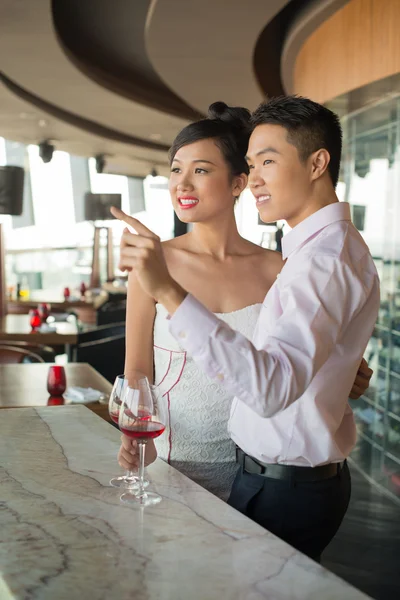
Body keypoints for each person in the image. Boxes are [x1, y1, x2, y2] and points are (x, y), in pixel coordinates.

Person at [112, 96, 379, 562]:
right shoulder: (157, 262)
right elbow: (137, 371)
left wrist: (342, 372)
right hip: (175, 458)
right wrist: (131, 432)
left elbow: (288, 366)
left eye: (200, 169)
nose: (182, 183)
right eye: (176, 170)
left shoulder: (289, 264)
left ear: (236, 184)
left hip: (249, 467)